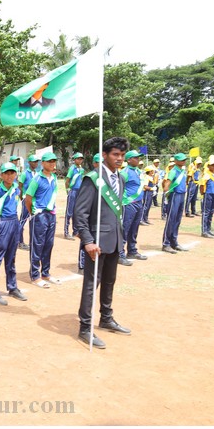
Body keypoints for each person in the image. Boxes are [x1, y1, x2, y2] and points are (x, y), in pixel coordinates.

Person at [74, 137, 131, 349]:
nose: (119, 158)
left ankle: (106, 318)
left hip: (114, 240)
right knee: (91, 285)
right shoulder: (93, 179)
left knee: (109, 281)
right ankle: (85, 327)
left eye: (122, 155)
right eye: (115, 154)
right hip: (96, 242)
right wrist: (88, 241)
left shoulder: (121, 178)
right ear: (105, 155)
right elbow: (80, 213)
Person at [0, 162, 27, 305]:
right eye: (7, 173)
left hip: (14, 222)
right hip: (2, 224)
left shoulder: (16, 189)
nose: (10, 176)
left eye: (12, 173)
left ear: (16, 174)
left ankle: (12, 287)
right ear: (1, 175)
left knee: (11, 257)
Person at [24, 152, 59, 288]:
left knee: (49, 244)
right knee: (37, 245)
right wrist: (33, 212)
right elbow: (28, 198)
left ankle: (45, 273)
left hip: (51, 215)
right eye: (49, 161)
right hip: (39, 216)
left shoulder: (54, 177)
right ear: (43, 163)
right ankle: (35, 275)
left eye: (53, 161)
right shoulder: (37, 179)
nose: (52, 163)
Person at [117, 150, 147, 266]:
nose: (138, 159)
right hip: (128, 204)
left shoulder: (138, 171)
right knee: (124, 228)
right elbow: (119, 188)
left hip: (139, 202)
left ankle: (132, 251)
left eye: (139, 157)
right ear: (129, 160)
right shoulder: (124, 172)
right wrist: (124, 201)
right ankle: (120, 254)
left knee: (134, 228)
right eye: (135, 157)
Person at [78, 153, 101, 274]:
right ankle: (82, 265)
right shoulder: (91, 178)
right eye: (100, 162)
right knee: (85, 238)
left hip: (98, 215)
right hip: (87, 213)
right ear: (95, 164)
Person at [162, 153, 189, 254]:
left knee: (177, 220)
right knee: (171, 219)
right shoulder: (173, 171)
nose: (184, 161)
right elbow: (167, 184)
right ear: (176, 161)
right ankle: (166, 244)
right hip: (174, 196)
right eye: (182, 160)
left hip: (181, 195)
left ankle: (174, 242)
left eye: (184, 160)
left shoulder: (182, 171)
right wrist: (166, 197)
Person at [17, 154, 40, 251]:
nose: (36, 163)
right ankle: (19, 242)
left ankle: (32, 243)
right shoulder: (25, 173)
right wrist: (22, 198)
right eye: (34, 162)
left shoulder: (37, 173)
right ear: (29, 162)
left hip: (35, 201)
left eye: (37, 162)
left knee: (34, 222)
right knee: (23, 220)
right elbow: (20, 186)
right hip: (27, 200)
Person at [64, 152, 85, 240]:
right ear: (75, 160)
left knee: (76, 212)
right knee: (69, 212)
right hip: (73, 191)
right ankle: (66, 232)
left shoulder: (81, 169)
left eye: (81, 159)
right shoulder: (72, 169)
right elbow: (67, 181)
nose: (80, 160)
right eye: (78, 159)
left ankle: (75, 231)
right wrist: (68, 190)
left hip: (79, 192)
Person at [199, 155, 214, 238]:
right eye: (212, 165)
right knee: (206, 212)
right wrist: (202, 193)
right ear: (209, 166)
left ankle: (208, 229)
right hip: (208, 194)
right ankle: (204, 231)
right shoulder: (206, 175)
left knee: (211, 212)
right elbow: (201, 185)